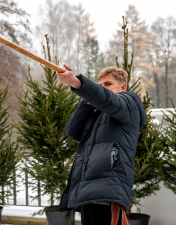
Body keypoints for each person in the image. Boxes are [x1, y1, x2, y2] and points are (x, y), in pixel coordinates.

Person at [57, 65, 146, 225]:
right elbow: (73, 131)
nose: (103, 88)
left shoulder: (129, 103)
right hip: (88, 193)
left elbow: (110, 100)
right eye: (100, 86)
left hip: (109, 194)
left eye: (108, 84)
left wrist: (78, 83)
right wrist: (88, 99)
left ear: (123, 86)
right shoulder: (98, 115)